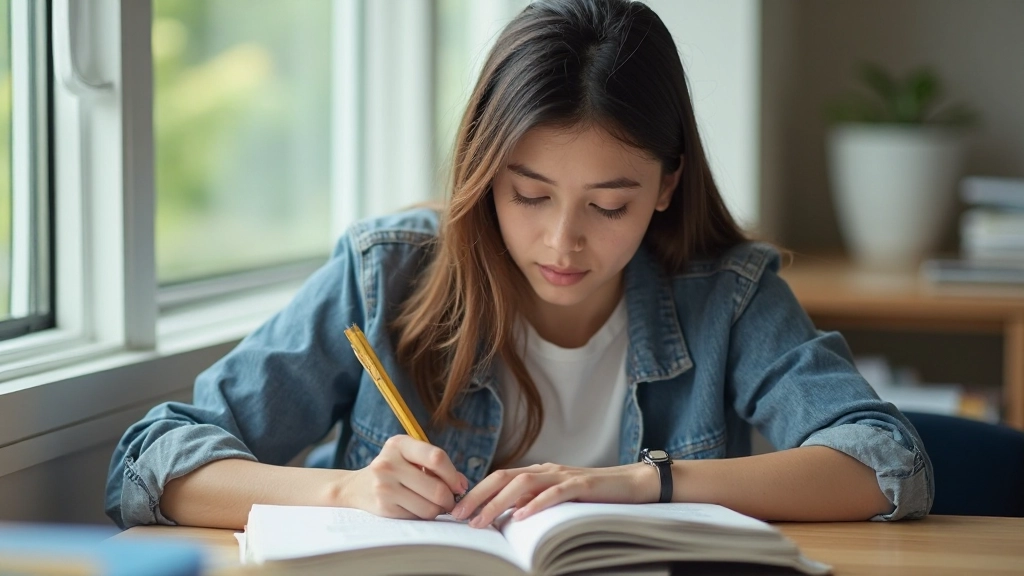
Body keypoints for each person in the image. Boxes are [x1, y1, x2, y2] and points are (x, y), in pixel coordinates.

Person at [105, 0, 932, 531]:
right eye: (528, 195)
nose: (562, 242)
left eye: (609, 205)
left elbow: (884, 463)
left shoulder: (730, 294)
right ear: (483, 169)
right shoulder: (386, 273)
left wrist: (639, 485)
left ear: (667, 183)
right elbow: (151, 463)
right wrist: (345, 494)